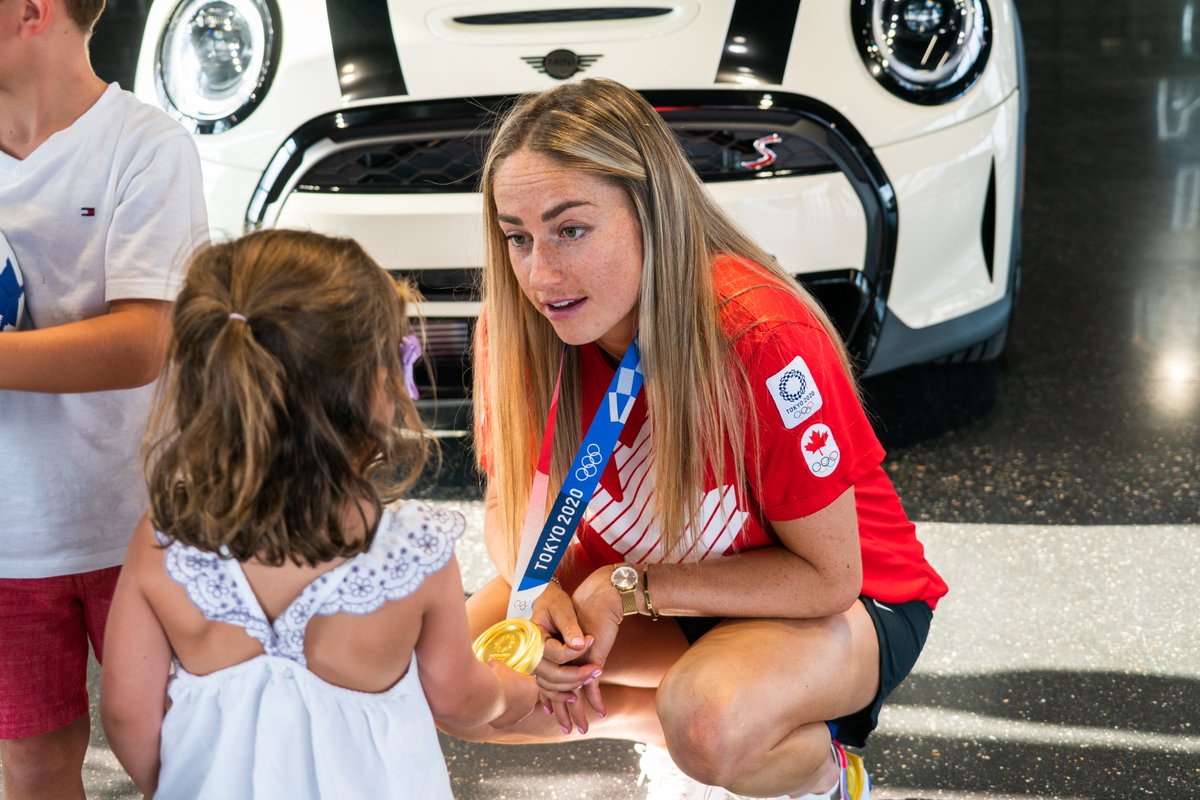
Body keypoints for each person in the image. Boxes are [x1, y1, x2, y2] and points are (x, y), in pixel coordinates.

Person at [447, 78, 949, 800]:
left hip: (834, 599)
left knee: (708, 719)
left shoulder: (761, 338)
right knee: (461, 683)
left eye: (572, 230)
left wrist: (628, 588)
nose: (540, 273)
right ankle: (674, 737)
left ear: (653, 215)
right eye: (518, 237)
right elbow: (506, 504)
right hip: (643, 589)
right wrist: (539, 588)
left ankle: (816, 773)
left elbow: (829, 575)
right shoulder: (516, 326)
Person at [99, 229, 539, 798]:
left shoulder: (166, 541)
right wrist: (516, 690)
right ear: (380, 387)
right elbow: (459, 702)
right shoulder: (411, 551)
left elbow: (126, 714)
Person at [0, 1, 209, 797]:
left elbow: (142, 342)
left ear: (31, 10)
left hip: (144, 526)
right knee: (34, 764)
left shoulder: (145, 146)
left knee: (177, 749)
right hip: (9, 540)